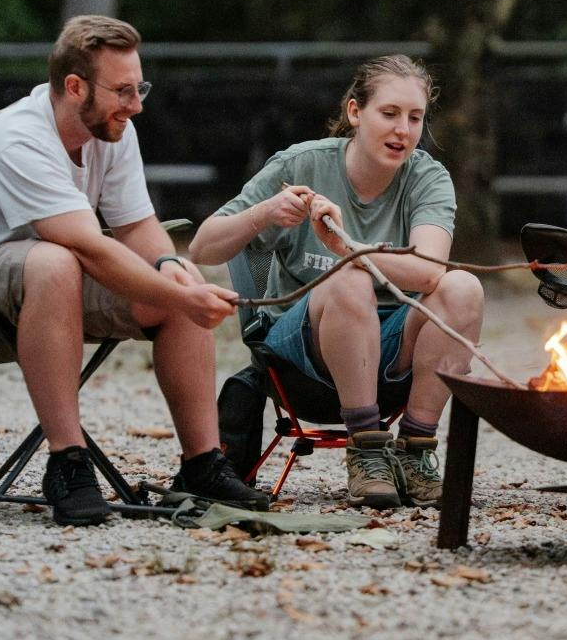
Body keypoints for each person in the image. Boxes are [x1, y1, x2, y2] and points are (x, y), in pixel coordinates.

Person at [0, 15, 269, 527]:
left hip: (48, 276)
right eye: (123, 91)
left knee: (177, 281)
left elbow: (137, 227)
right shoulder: (19, 137)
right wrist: (179, 293)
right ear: (75, 86)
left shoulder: (112, 131)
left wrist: (174, 268)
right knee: (56, 260)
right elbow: (89, 247)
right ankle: (67, 463)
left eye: (140, 88)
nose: (136, 105)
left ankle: (202, 464)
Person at [188, 55, 482, 509]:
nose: (403, 129)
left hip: (392, 351)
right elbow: (203, 248)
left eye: (415, 117)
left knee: (464, 288)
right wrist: (264, 213)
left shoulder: (427, 177)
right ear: (355, 112)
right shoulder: (301, 166)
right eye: (389, 113)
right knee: (349, 282)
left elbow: (428, 271)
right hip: (301, 354)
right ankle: (366, 450)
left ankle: (415, 452)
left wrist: (346, 247)